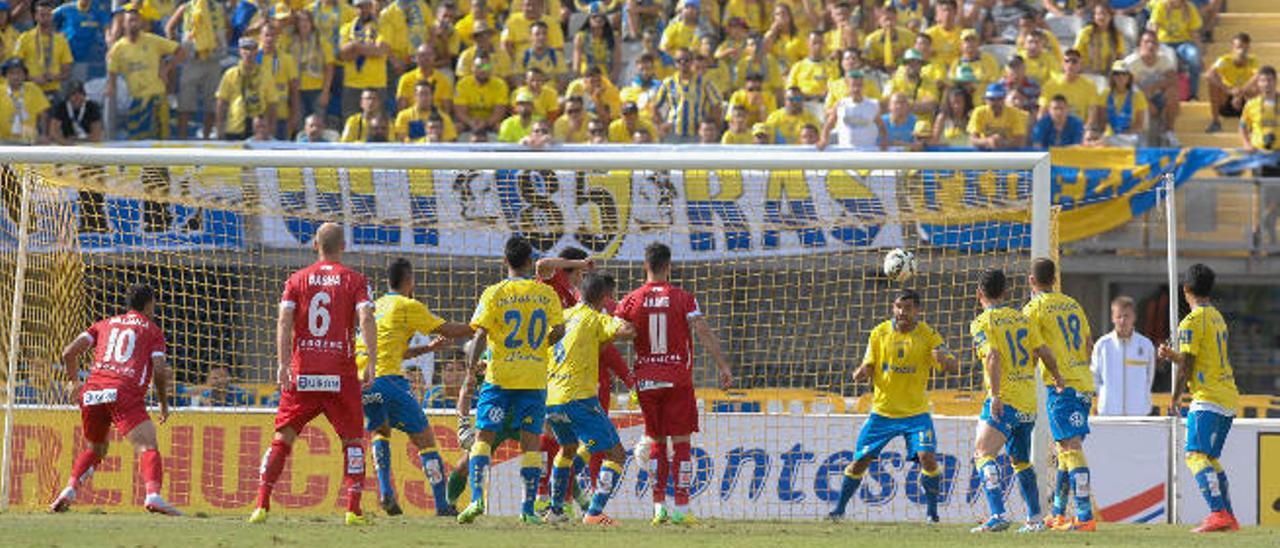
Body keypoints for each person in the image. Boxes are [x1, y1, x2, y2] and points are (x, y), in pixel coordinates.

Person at [249, 222, 378, 526]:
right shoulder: (356, 280)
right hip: (341, 372)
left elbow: (283, 321)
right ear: (343, 247)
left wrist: (282, 364)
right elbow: (366, 317)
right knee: (352, 442)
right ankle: (353, 510)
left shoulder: (296, 280)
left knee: (282, 438)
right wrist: (370, 360)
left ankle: (261, 505)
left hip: (303, 370)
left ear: (314, 246)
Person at [615, 242, 734, 526]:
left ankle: (659, 507)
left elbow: (614, 330)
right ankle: (681, 506)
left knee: (656, 442)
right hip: (677, 379)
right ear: (669, 266)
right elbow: (702, 330)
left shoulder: (631, 299)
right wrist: (723, 365)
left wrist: (629, 333)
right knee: (681, 443)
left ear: (645, 265)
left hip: (646, 380)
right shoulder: (684, 298)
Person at [457, 235, 566, 525]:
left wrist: (470, 372)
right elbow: (560, 330)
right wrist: (542, 345)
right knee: (531, 444)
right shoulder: (547, 294)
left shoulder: (494, 293)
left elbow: (479, 334)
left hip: (499, 378)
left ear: (505, 261)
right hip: (533, 378)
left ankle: (477, 499)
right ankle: (527, 510)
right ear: (531, 262)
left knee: (483, 438)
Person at [49, 284, 182, 516]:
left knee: (96, 449)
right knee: (148, 445)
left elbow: (68, 352)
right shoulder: (152, 330)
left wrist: (74, 384)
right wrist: (163, 403)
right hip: (123, 391)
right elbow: (159, 370)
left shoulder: (104, 324)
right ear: (149, 305)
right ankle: (153, 496)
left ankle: (69, 490)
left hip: (92, 392)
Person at [827, 289, 957, 522]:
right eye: (898, 307)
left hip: (916, 414)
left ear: (917, 310)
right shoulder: (879, 333)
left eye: (907, 308)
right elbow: (868, 364)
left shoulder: (929, 335)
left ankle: (932, 514)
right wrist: (862, 371)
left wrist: (944, 361)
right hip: (883, 412)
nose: (902, 312)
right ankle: (838, 510)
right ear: (893, 307)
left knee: (927, 457)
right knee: (860, 462)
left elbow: (950, 364)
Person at [359, 258, 473, 517]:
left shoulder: (375, 307)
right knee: (426, 441)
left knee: (381, 432)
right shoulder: (408, 305)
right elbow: (449, 329)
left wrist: (428, 349)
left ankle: (386, 491)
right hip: (390, 381)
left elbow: (392, 350)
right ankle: (443, 506)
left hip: (365, 382)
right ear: (409, 281)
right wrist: (481, 325)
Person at [970, 268, 1064, 533]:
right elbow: (1044, 351)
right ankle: (1035, 519)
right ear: (1005, 292)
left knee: (983, 453)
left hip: (1006, 399)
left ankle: (998, 514)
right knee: (1020, 460)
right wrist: (1057, 377)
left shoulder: (981, 323)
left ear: (980, 294)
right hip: (1028, 402)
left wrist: (996, 395)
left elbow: (993, 357)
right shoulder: (1023, 319)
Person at [542, 272, 636, 525]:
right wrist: (617, 316)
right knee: (616, 454)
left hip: (552, 398)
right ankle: (594, 512)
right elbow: (628, 331)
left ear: (580, 293)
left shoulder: (564, 315)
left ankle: (555, 510)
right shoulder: (596, 318)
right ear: (604, 298)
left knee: (568, 448)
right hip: (578, 398)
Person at [1158, 263, 1241, 533]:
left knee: (1194, 455)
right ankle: (1228, 515)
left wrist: (1174, 398)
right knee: (1209, 458)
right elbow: (1197, 357)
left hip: (1207, 398)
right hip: (1227, 395)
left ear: (1186, 290)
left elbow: (1188, 367)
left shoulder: (1191, 321)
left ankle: (1218, 513)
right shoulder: (1217, 316)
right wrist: (1173, 355)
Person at [1022, 259, 1096, 532]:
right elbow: (1089, 344)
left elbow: (1033, 350)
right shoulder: (1072, 303)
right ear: (1054, 278)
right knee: (1064, 449)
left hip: (1062, 386)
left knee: (1070, 448)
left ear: (1032, 281)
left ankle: (1085, 516)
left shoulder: (1033, 309)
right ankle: (1058, 513)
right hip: (1084, 383)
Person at [106, 6, 185, 140]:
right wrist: (111, 87)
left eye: (136, 20)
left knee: (161, 138)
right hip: (136, 99)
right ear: (124, 24)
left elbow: (180, 51)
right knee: (137, 139)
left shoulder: (152, 40)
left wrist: (167, 68)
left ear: (141, 23)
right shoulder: (118, 48)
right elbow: (112, 71)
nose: (133, 24)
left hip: (157, 97)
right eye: (130, 21)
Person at [167, 0, 228, 139]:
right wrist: (176, 49)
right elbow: (169, 27)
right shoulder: (186, 8)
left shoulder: (218, 9)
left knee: (211, 104)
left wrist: (220, 45)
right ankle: (182, 142)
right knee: (185, 105)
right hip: (192, 61)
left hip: (212, 61)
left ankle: (206, 139)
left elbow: (229, 28)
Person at [1092, 295, 1157, 417]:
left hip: (1139, 413)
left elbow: (1149, 377)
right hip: (1108, 412)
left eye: (1126, 316)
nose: (1122, 320)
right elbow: (1095, 376)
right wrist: (1105, 397)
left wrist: (1141, 397)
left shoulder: (1145, 344)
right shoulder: (1103, 345)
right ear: (1113, 318)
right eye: (1119, 316)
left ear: (1134, 317)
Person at [652, 48, 721, 144]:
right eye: (679, 60)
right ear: (675, 63)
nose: (683, 63)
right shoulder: (668, 83)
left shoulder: (704, 83)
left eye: (686, 60)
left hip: (697, 133)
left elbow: (717, 105)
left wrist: (714, 128)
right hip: (673, 133)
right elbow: (654, 106)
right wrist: (661, 125)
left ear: (692, 61)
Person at [1125, 30, 1181, 145]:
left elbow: (1173, 80)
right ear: (1140, 44)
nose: (1150, 45)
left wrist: (1156, 86)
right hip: (1136, 100)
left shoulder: (1164, 60)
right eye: (1146, 42)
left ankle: (1169, 131)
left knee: (1173, 93)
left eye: (1154, 43)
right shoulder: (1131, 63)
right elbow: (1128, 89)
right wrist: (1146, 103)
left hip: (1156, 96)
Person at [216, 39, 278, 141]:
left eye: (252, 49)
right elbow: (221, 102)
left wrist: (271, 129)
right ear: (239, 51)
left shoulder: (265, 74)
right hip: (235, 126)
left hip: (257, 129)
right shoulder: (230, 74)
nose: (249, 53)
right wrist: (219, 127)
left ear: (257, 51)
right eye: (245, 49)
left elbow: (272, 104)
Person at [337, 0, 389, 117]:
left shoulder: (382, 26)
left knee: (377, 122)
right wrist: (368, 48)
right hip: (352, 84)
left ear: (371, 7)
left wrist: (355, 46)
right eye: (360, 7)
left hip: (377, 82)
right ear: (354, 8)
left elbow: (380, 51)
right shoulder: (346, 28)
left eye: (367, 6)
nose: (363, 10)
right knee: (350, 121)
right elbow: (342, 55)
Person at [15, 1, 72, 97]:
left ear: (52, 16)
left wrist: (54, 77)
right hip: (30, 89)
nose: (45, 18)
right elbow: (16, 66)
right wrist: (32, 78)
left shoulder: (61, 40)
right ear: (35, 16)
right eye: (42, 15)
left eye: (48, 15)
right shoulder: (24, 38)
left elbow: (66, 72)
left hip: (53, 91)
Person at [1148, 0, 1202, 99]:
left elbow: (1194, 33)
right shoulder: (1161, 5)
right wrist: (1152, 46)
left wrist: (1200, 53)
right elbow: (1154, 30)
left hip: (1184, 43)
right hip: (1164, 42)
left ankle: (1193, 94)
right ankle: (1164, 94)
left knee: (1194, 57)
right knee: (1169, 60)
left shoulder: (1190, 8)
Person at [1205, 33, 1259, 133]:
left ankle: (1254, 121)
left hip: (1244, 99)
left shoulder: (1252, 60)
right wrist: (1228, 90)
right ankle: (1216, 122)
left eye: (1245, 48)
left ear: (1249, 48)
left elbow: (1258, 76)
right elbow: (1209, 74)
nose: (1241, 51)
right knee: (1212, 83)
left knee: (1259, 85)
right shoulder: (1224, 60)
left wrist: (1240, 92)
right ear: (1232, 48)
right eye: (1238, 47)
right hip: (1226, 99)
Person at [53, 0, 111, 82]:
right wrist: (56, 36)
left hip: (83, 59)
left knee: (77, 88)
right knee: (62, 87)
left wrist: (110, 47)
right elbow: (47, 18)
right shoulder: (66, 8)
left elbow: (107, 30)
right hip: (64, 58)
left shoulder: (99, 9)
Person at [453, 55, 509, 136]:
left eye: (486, 66)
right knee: (455, 128)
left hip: (491, 122)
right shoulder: (462, 84)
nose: (483, 70)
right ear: (472, 68)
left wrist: (486, 123)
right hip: (468, 122)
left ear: (491, 68)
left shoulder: (500, 84)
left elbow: (499, 112)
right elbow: (460, 111)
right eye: (479, 66)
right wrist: (471, 122)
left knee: (501, 128)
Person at [0, 59, 50, 143]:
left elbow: (43, 113)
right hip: (3, 139)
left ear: (24, 75)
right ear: (6, 75)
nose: (15, 76)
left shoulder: (33, 89)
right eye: (12, 73)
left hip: (28, 138)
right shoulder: (1, 90)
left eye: (19, 73)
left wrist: (43, 134)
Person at [969, 83, 1028, 149]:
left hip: (1008, 155)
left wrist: (1002, 144)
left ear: (1004, 99)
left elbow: (1020, 140)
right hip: (984, 154)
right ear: (986, 100)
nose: (996, 102)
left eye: (999, 99)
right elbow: (973, 140)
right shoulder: (979, 112)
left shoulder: (1014, 113)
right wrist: (988, 141)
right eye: (992, 99)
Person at [1074, 3, 1126, 76]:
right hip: (1087, 73)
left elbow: (1120, 56)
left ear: (1111, 16)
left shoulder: (1117, 34)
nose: (1101, 17)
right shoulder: (1086, 32)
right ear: (1094, 17)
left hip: (1109, 74)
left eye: (1104, 14)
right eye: (1098, 14)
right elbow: (1076, 54)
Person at [1240, 66, 1278, 157]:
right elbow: (1242, 126)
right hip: (1258, 154)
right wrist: (1246, 143)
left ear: (1276, 81)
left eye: (1270, 80)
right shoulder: (1251, 104)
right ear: (1258, 83)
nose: (1266, 84)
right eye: (1263, 80)